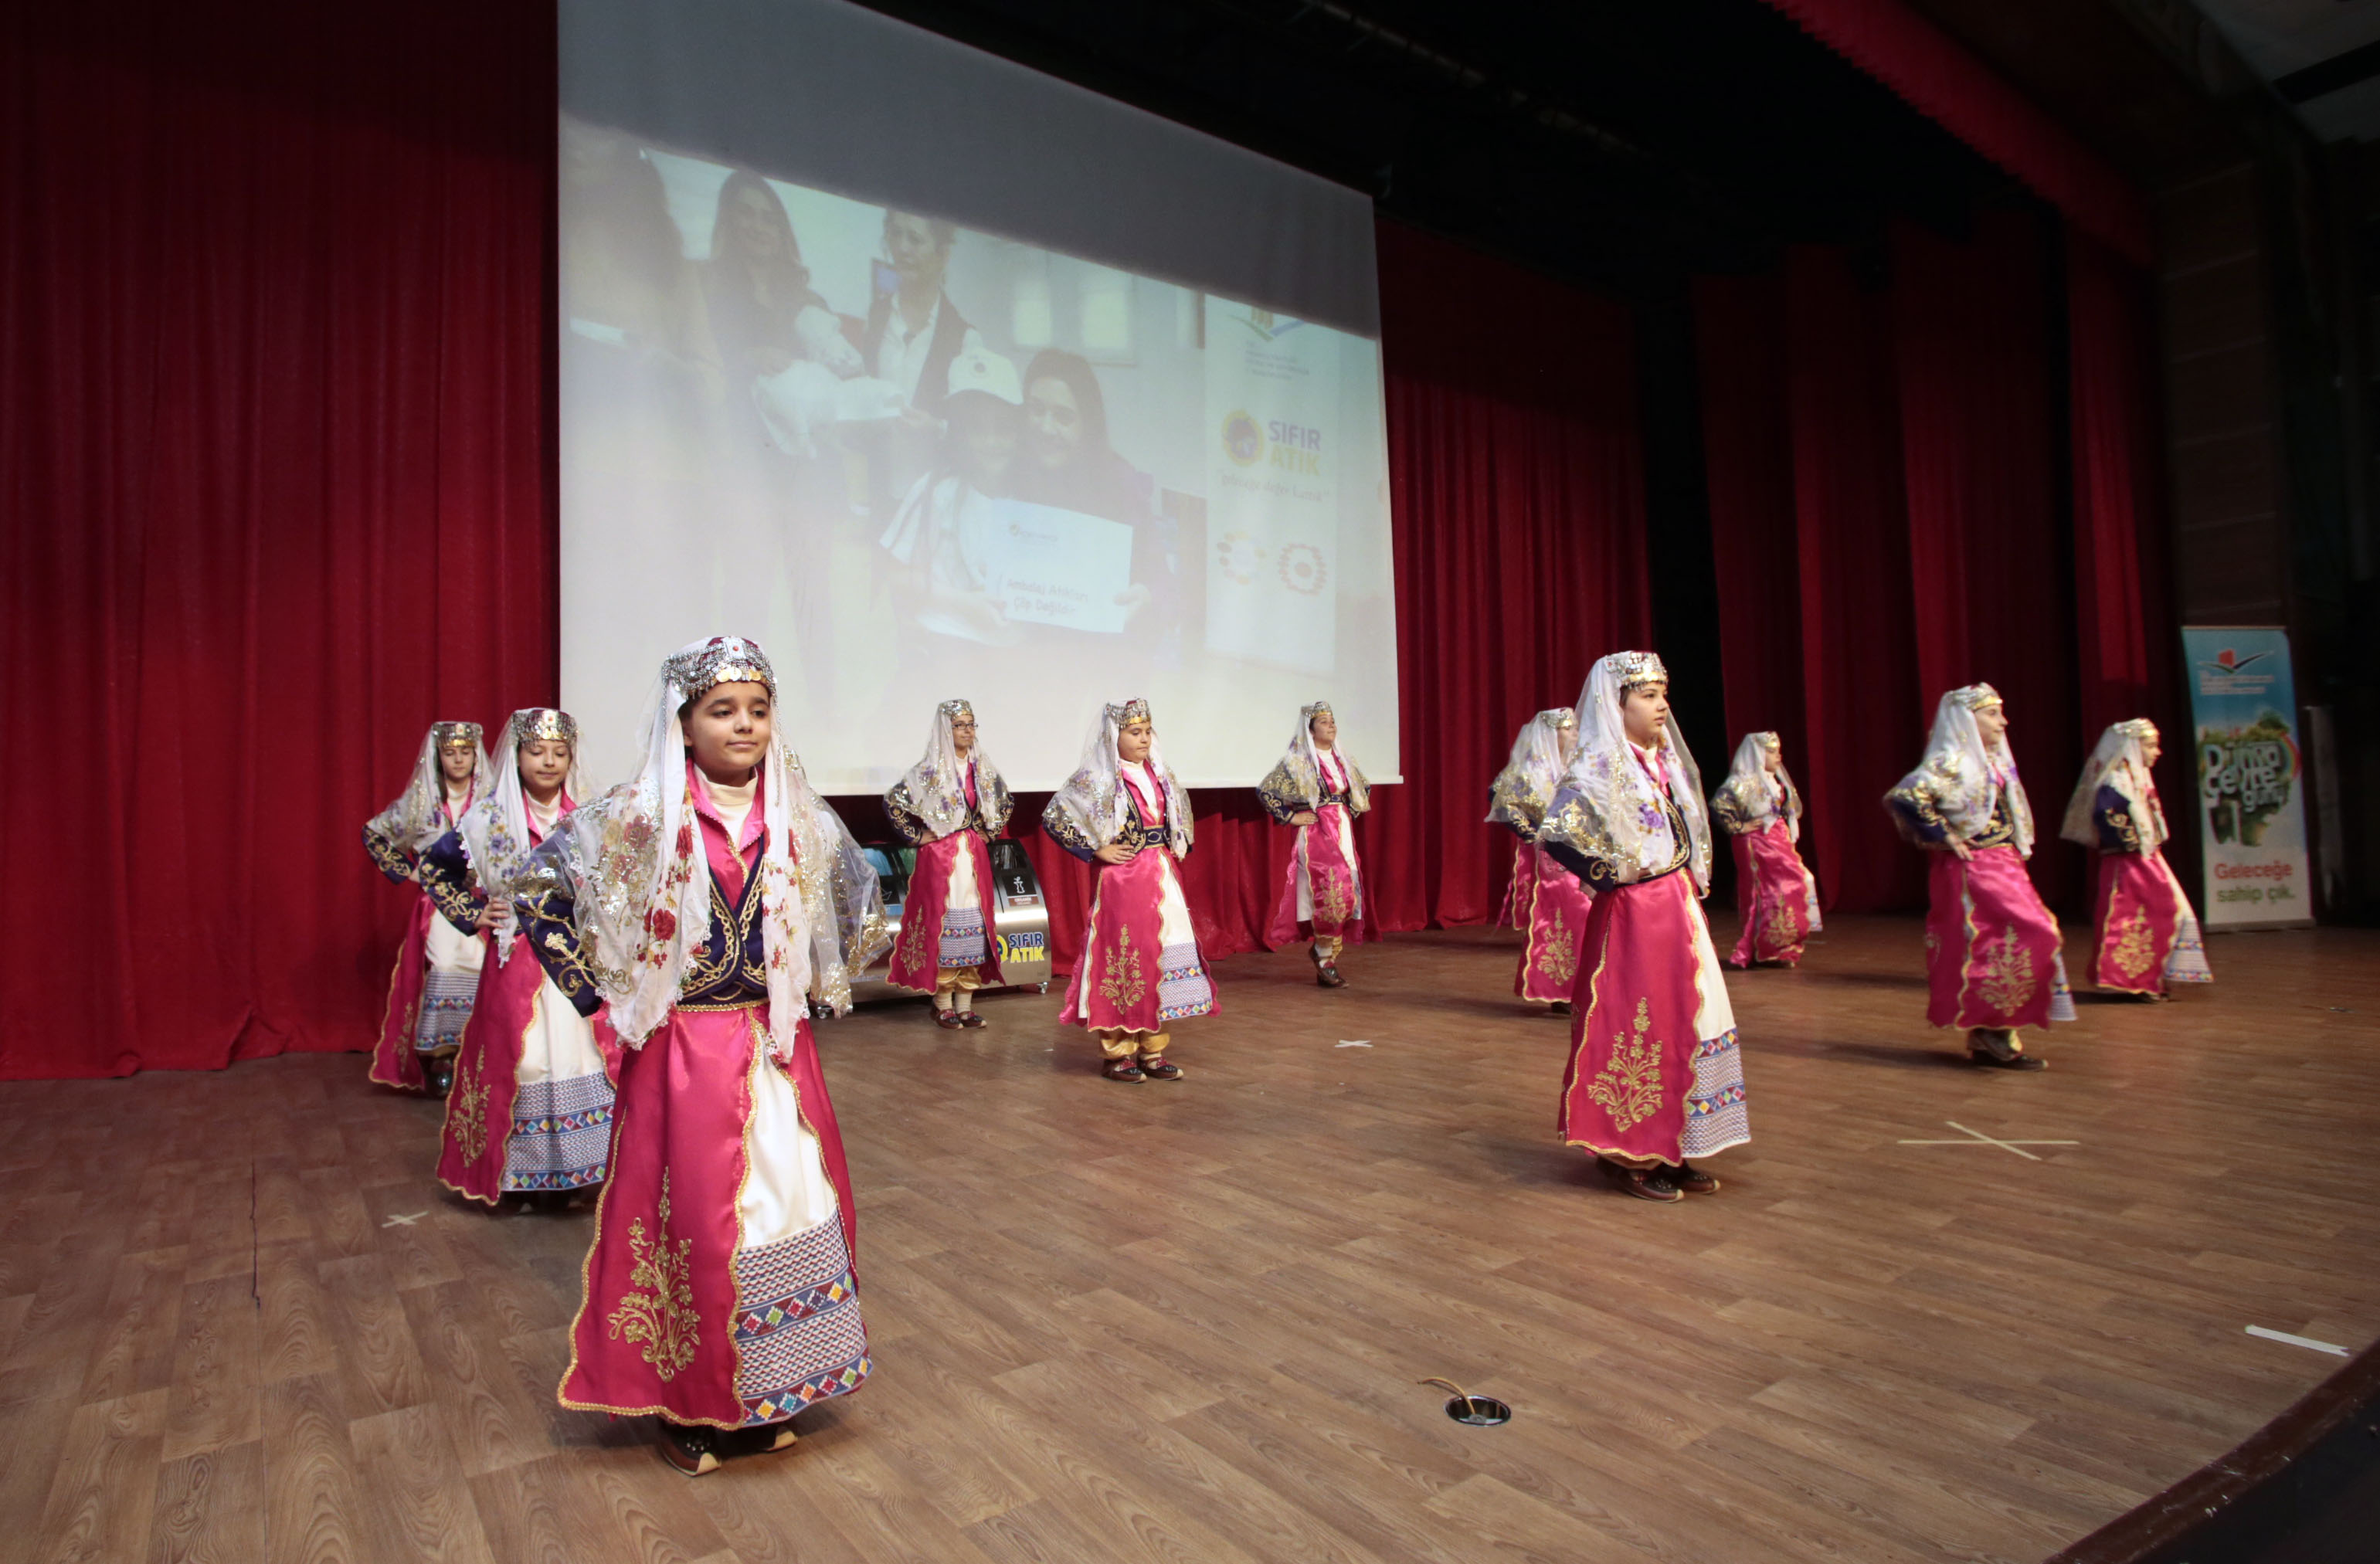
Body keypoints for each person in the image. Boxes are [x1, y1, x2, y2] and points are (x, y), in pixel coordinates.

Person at [510, 637, 888, 1474]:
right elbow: (540, 887)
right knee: (695, 1226)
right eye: (722, 710)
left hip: (774, 1046)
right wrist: (601, 993)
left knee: (791, 1204)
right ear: (684, 725)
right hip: (685, 1053)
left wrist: (819, 977)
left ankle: (771, 1385)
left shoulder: (795, 810)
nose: (744, 725)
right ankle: (692, 1400)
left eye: (757, 710)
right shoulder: (640, 814)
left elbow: (860, 899)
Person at [1540, 653, 1747, 1203]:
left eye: (1663, 693)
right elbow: (1556, 831)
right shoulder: (1598, 766)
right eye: (1649, 695)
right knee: (1640, 1018)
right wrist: (1610, 876)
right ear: (1618, 703)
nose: (1662, 705)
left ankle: (1675, 1144)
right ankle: (1627, 1146)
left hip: (1675, 905)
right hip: (1636, 913)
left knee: (1695, 1015)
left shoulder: (1657, 762)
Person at [415, 709, 621, 1209]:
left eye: (558, 751)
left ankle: (581, 1169)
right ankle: (519, 1172)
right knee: (524, 1061)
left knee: (582, 1056)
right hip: (516, 964)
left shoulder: (589, 818)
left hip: (575, 965)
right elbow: (434, 865)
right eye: (536, 750)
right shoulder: (489, 820)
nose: (548, 761)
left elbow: (616, 885)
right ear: (517, 755)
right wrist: (474, 910)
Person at [1885, 684, 2076, 1070]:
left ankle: (1994, 1033)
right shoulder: (1951, 762)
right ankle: (1992, 1031)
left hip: (2004, 864)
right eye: (1992, 714)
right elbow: (1906, 797)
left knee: (2007, 942)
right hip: (1977, 866)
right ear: (1966, 720)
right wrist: (1944, 836)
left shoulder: (1994, 761)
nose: (2002, 722)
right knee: (2014, 937)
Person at [1042, 698, 1216, 1082]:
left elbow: (1178, 820)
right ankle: (1119, 1052)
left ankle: (1153, 1051)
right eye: (1134, 732)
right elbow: (1055, 817)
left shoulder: (1158, 774)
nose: (1143, 740)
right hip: (1123, 880)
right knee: (1126, 957)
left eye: (1147, 732)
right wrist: (1095, 849)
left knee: (1164, 954)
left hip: (1160, 873)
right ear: (1114, 735)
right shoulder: (1099, 777)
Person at [363, 721, 494, 1094]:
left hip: (479, 902)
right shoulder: (422, 802)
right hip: (438, 903)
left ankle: (477, 1055)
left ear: (474, 756)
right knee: (445, 965)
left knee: (481, 965)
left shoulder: (491, 801)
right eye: (450, 753)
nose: (458, 759)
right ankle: (439, 1055)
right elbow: (373, 832)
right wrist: (410, 872)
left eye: (465, 752)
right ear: (438, 757)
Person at [1011, 348, 1171, 636]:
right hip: (1023, 650)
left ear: (1088, 423)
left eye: (1063, 417)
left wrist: (1147, 594)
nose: (1046, 428)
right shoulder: (1011, 470)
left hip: (1097, 657)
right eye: (1036, 410)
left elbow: (1162, 579)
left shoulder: (1119, 481)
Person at [878, 348, 1024, 645]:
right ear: (960, 431)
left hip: (1008, 650)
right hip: (947, 642)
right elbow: (899, 576)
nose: (991, 441)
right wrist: (965, 605)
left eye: (1003, 428)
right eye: (977, 428)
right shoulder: (935, 491)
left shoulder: (1030, 497)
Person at [884, 699, 1013, 1026]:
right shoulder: (929, 770)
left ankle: (966, 1003)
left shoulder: (980, 767)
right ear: (946, 729)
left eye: (972, 724)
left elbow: (1005, 800)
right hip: (940, 855)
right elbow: (894, 801)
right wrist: (916, 835)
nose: (968, 731)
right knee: (942, 924)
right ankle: (942, 1003)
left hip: (971, 853)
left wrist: (988, 829)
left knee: (976, 924)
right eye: (960, 725)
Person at [2063, 718, 2213, 1000]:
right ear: (2133, 746)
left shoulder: (2134, 778)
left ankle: (2147, 977)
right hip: (2128, 862)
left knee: (2159, 913)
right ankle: (2134, 979)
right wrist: (2130, 842)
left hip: (2143, 858)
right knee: (2137, 916)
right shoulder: (2115, 781)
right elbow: (2106, 817)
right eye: (2152, 746)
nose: (2157, 752)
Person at [1258, 701, 1371, 987]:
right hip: (1318, 831)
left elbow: (1362, 787)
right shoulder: (1299, 761)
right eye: (1324, 722)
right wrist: (1292, 816)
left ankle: (1327, 954)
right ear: (1310, 730)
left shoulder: (1342, 758)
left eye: (1333, 721)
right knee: (1330, 891)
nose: (1331, 726)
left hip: (1342, 827)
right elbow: (1267, 792)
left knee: (1348, 893)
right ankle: (1324, 957)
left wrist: (1350, 809)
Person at [1488, 707, 1587, 1014]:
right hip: (1552, 858)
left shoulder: (1577, 766)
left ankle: (1584, 987)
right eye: (1568, 730)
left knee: (1586, 916)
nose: (1574, 735)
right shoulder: (1529, 770)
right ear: (1551, 733)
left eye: (1574, 729)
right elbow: (1500, 800)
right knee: (1567, 916)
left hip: (1582, 852)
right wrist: (1531, 834)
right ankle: (1561, 989)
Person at [1709, 732, 1823, 969]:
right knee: (1763, 892)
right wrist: (1740, 826)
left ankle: (1780, 947)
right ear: (1758, 754)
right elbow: (1720, 805)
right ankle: (1760, 946)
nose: (1777, 756)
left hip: (1776, 838)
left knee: (1796, 884)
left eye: (1777, 750)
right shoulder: (1743, 782)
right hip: (1755, 842)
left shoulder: (1775, 781)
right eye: (1771, 751)